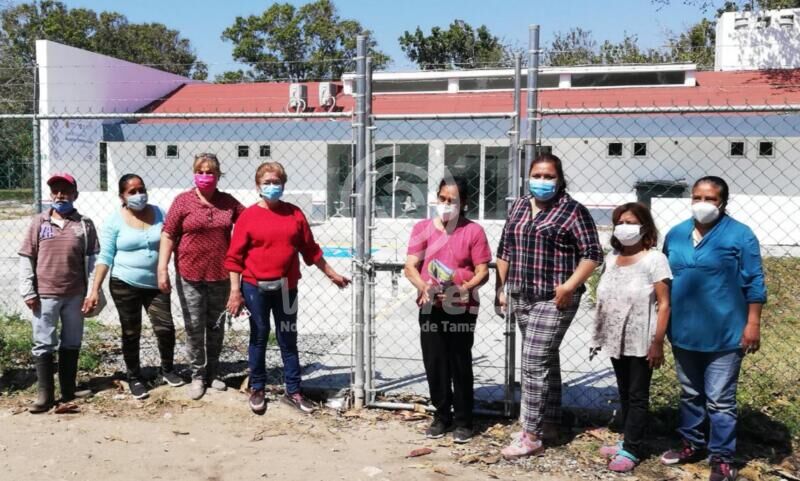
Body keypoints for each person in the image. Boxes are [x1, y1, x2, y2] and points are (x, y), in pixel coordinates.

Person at [495, 153, 603, 459]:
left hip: (555, 299)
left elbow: (592, 253)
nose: (542, 182)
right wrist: (500, 288)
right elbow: (505, 249)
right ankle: (550, 422)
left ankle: (530, 434)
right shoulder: (518, 205)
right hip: (521, 296)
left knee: (532, 363)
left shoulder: (572, 211)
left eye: (548, 176)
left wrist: (569, 286)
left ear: (560, 179)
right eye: (537, 176)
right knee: (545, 360)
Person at [659, 176, 766, 481]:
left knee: (720, 399)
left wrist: (752, 323)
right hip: (683, 331)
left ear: (723, 202)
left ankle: (722, 456)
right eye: (696, 197)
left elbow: (754, 282)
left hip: (726, 333)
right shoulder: (676, 234)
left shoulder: (740, 235)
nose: (702, 204)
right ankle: (692, 444)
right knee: (690, 394)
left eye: (710, 199)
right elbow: (664, 278)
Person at [224, 161, 350, 414]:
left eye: (276, 182)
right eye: (267, 182)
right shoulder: (248, 217)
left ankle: (293, 391)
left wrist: (332, 274)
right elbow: (234, 258)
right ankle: (257, 387)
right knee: (259, 336)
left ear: (284, 184)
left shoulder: (294, 214)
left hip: (286, 288)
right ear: (257, 186)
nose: (272, 186)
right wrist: (235, 292)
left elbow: (310, 250)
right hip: (254, 287)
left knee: (287, 337)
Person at [403, 176, 491, 444]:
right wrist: (423, 286)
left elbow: (483, 271)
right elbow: (410, 266)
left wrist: (466, 288)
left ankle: (464, 420)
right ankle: (442, 416)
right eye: (442, 199)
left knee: (459, 362)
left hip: (461, 307)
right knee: (435, 362)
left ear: (464, 203)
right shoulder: (422, 228)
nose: (446, 204)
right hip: (430, 305)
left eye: (452, 201)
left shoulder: (473, 231)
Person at [84, 174, 183, 400]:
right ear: (122, 196)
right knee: (131, 332)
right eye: (132, 192)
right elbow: (105, 257)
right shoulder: (113, 221)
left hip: (156, 283)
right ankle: (134, 376)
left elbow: (171, 240)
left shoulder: (160, 213)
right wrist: (94, 289)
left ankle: (167, 368)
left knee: (165, 327)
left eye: (141, 189)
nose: (139, 195)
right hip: (124, 283)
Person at [591, 202, 672, 472]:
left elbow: (664, 303)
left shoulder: (655, 259)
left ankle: (633, 449)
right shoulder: (612, 257)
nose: (624, 227)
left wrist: (657, 342)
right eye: (619, 222)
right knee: (624, 390)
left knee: (638, 394)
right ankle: (628, 439)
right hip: (617, 338)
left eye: (630, 222)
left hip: (642, 340)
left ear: (644, 226)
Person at [158, 153, 245, 400]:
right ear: (194, 173)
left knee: (215, 326)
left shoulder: (228, 202)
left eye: (210, 172)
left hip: (221, 275)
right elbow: (168, 234)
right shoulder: (182, 202)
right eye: (201, 171)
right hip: (190, 275)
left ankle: (214, 373)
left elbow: (249, 221)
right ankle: (197, 374)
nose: (205, 176)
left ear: (219, 175)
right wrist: (162, 268)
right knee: (194, 326)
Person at [18, 173, 99, 412]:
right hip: (45, 295)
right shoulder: (39, 222)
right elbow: (27, 258)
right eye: (55, 191)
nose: (60, 195)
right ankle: (45, 395)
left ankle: (68, 390)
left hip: (75, 294)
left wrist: (92, 291)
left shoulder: (84, 224)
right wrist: (28, 291)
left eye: (65, 191)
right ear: (50, 194)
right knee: (44, 342)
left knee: (72, 342)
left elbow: (93, 260)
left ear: (75, 194)